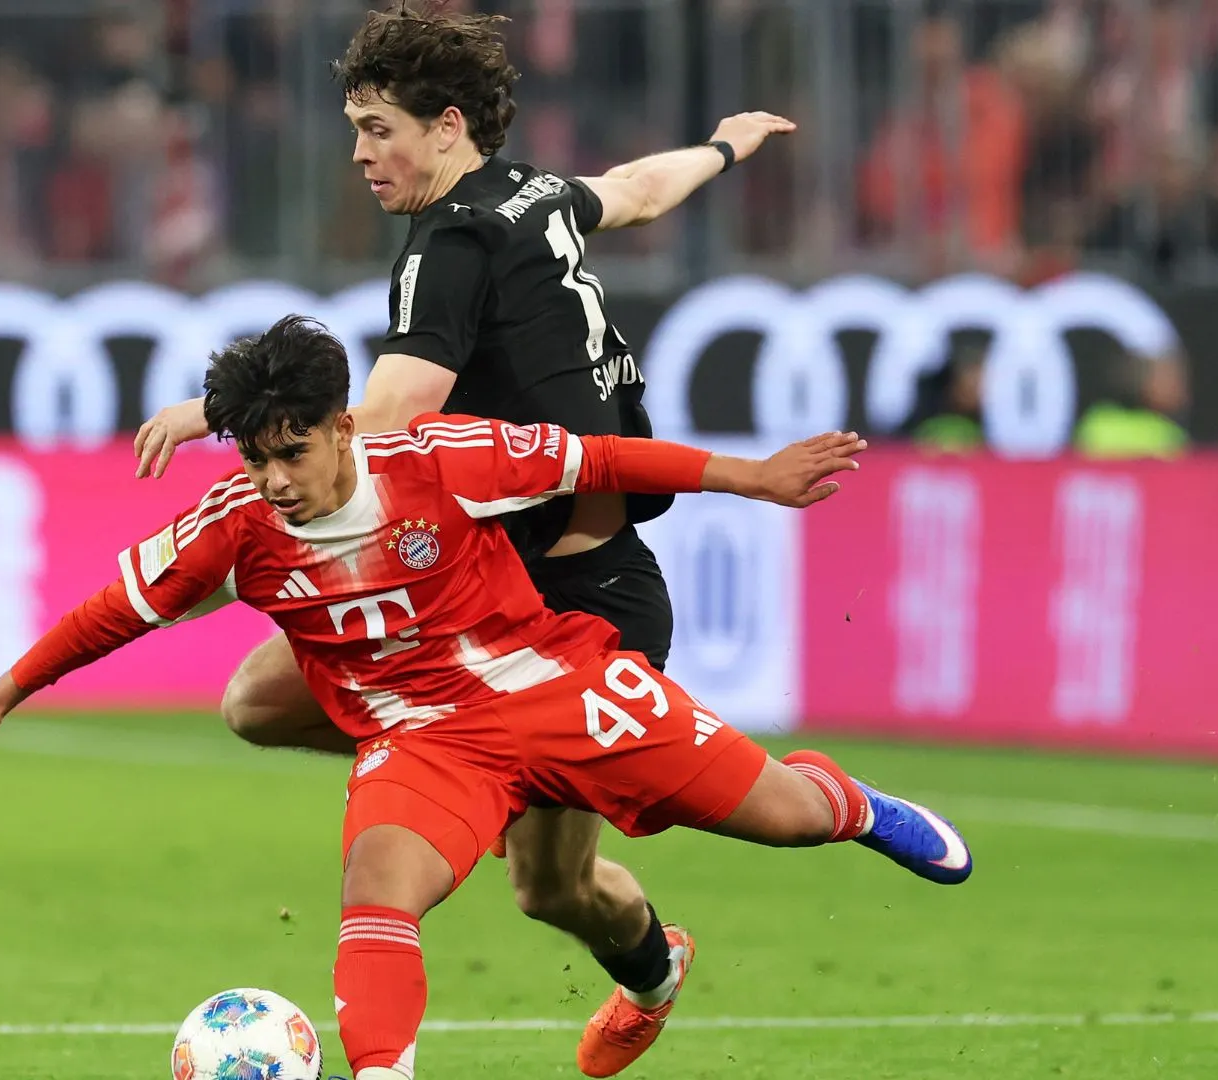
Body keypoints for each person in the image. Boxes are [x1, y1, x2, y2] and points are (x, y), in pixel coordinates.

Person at [0, 317, 974, 1080]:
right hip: (425, 739)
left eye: (293, 452)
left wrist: (752, 477)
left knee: (783, 820)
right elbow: (119, 608)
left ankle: (848, 803)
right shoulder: (233, 523)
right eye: (255, 456)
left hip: (557, 684)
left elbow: (598, 455)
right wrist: (1, 693)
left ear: (342, 426)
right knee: (378, 887)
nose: (276, 479)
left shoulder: (441, 458)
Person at [129, 6, 796, 1071]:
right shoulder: (534, 195)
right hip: (482, 592)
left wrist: (230, 411)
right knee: (255, 699)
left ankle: (655, 968)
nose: (359, 153)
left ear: (446, 127)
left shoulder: (448, 244)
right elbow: (635, 189)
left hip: (581, 594)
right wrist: (724, 146)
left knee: (551, 888)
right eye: (355, 127)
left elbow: (389, 410)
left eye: (377, 128)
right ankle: (460, 760)